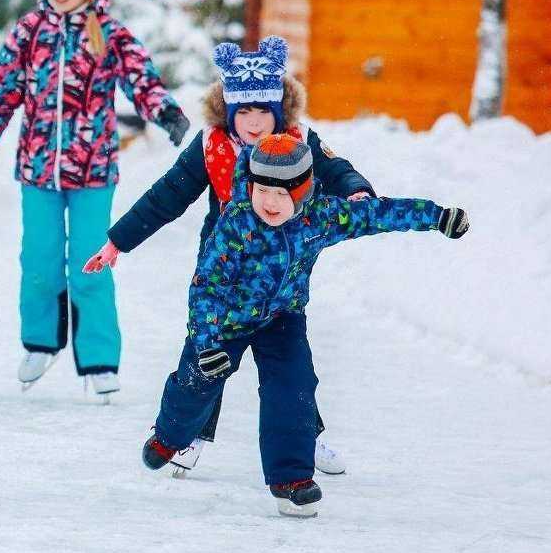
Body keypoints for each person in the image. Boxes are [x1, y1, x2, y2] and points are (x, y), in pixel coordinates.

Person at [84, 36, 374, 475]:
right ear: (229, 112)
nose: (253, 122)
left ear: (278, 112)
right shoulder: (210, 146)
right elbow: (166, 196)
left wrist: (356, 191)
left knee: (289, 365)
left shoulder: (298, 142)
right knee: (209, 351)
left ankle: (305, 437)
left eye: (262, 111)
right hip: (223, 269)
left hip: (282, 273)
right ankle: (192, 434)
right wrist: (118, 241)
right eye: (244, 112)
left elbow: (336, 169)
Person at [141, 133, 469, 517]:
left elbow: (377, 214)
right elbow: (206, 286)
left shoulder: (321, 216)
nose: (271, 202)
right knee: (198, 381)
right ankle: (169, 436)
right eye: (263, 190)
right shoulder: (236, 222)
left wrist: (437, 217)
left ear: (303, 190)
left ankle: (291, 479)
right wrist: (207, 342)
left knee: (293, 387)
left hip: (282, 317)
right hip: (225, 321)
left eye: (283, 194)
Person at [0, 0, 189, 399]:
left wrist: (165, 111)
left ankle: (100, 360)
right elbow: (3, 92)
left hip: (93, 171)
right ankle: (42, 343)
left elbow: (140, 78)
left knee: (92, 261)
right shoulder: (29, 32)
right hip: (38, 170)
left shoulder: (108, 31)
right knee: (40, 260)